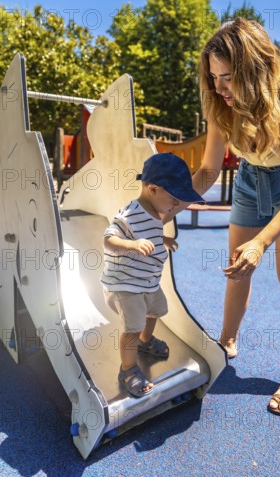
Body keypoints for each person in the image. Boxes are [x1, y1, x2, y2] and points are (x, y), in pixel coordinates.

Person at [189, 18, 280, 415]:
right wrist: (165, 206)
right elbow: (209, 172)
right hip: (249, 178)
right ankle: (226, 342)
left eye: (227, 77)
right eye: (213, 77)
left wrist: (262, 242)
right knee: (236, 268)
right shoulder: (219, 105)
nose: (219, 88)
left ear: (253, 70)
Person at [100, 153, 204, 397]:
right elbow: (108, 239)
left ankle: (146, 342)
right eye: (174, 199)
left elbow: (152, 232)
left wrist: (162, 239)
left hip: (147, 281)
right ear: (153, 189)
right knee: (132, 328)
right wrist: (131, 245)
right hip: (126, 285)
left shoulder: (156, 211)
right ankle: (127, 369)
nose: (177, 206)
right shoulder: (130, 213)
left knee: (157, 310)